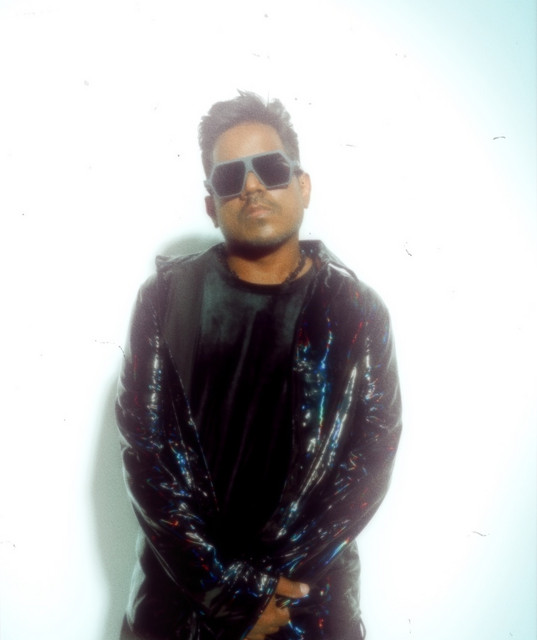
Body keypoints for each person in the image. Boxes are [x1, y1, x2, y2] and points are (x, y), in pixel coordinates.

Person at [116, 91, 402, 640]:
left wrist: (262, 590)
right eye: (230, 177)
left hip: (306, 609)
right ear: (211, 204)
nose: (251, 187)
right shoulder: (165, 297)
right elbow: (145, 455)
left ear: (302, 185)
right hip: (182, 611)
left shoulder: (358, 310)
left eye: (269, 168)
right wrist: (226, 593)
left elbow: (371, 460)